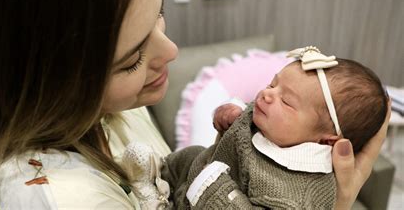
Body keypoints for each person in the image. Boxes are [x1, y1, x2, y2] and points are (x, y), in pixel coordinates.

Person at [0, 0, 390, 209]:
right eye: (133, 57)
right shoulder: (62, 200)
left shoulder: (114, 105)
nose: (172, 50)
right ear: (54, 86)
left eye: (159, 14)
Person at [153, 47, 389, 209]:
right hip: (194, 178)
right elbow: (240, 118)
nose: (267, 94)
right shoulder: (269, 120)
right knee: (191, 154)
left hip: (211, 195)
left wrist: (215, 185)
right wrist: (228, 115)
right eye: (272, 84)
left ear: (324, 141)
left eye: (286, 101)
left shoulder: (303, 191)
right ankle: (154, 177)